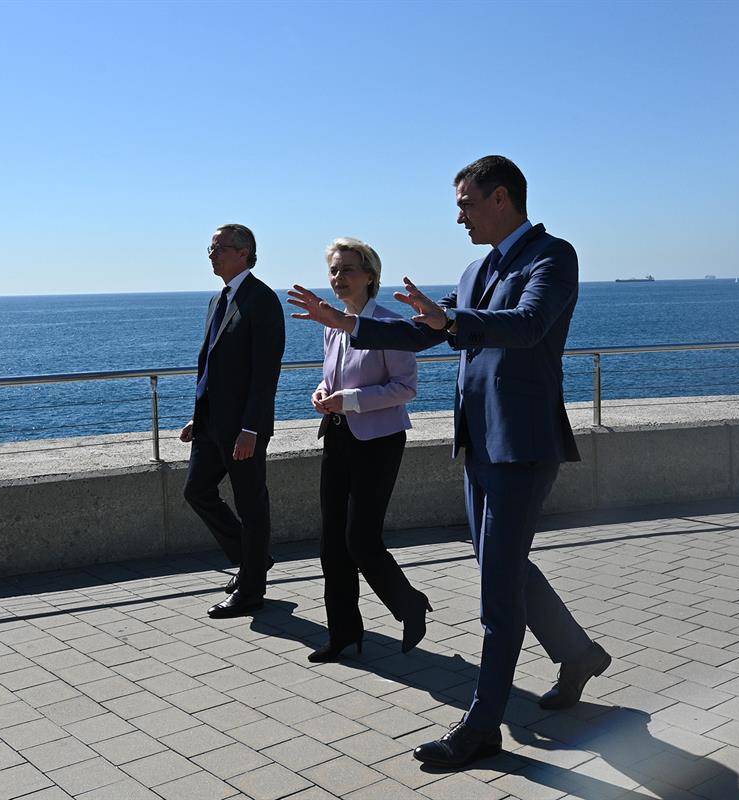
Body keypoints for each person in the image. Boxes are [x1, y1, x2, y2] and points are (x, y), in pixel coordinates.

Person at [288, 156, 609, 768]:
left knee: (497, 587)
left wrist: (454, 318)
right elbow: (421, 333)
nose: (458, 214)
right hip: (480, 441)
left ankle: (482, 725)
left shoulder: (552, 256)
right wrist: (348, 324)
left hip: (523, 441)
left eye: (466, 202)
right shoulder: (473, 268)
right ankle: (577, 654)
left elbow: (529, 324)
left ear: (502, 198)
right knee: (501, 562)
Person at [307, 237, 431, 663]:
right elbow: (334, 378)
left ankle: (409, 603)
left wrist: (351, 400)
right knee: (331, 543)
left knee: (360, 538)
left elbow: (406, 388)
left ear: (370, 276)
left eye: (347, 270)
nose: (338, 278)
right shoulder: (333, 322)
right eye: (334, 270)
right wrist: (324, 393)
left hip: (379, 442)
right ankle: (343, 632)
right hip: (338, 435)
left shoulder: (390, 325)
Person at [181, 224, 285, 619]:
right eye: (210, 247)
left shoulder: (262, 300)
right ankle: (252, 559)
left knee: (251, 504)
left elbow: (265, 373)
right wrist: (198, 417)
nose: (212, 254)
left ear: (244, 253)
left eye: (219, 247)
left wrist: (252, 429)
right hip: (211, 425)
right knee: (196, 491)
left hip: (244, 428)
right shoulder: (217, 299)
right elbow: (210, 365)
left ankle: (252, 590)